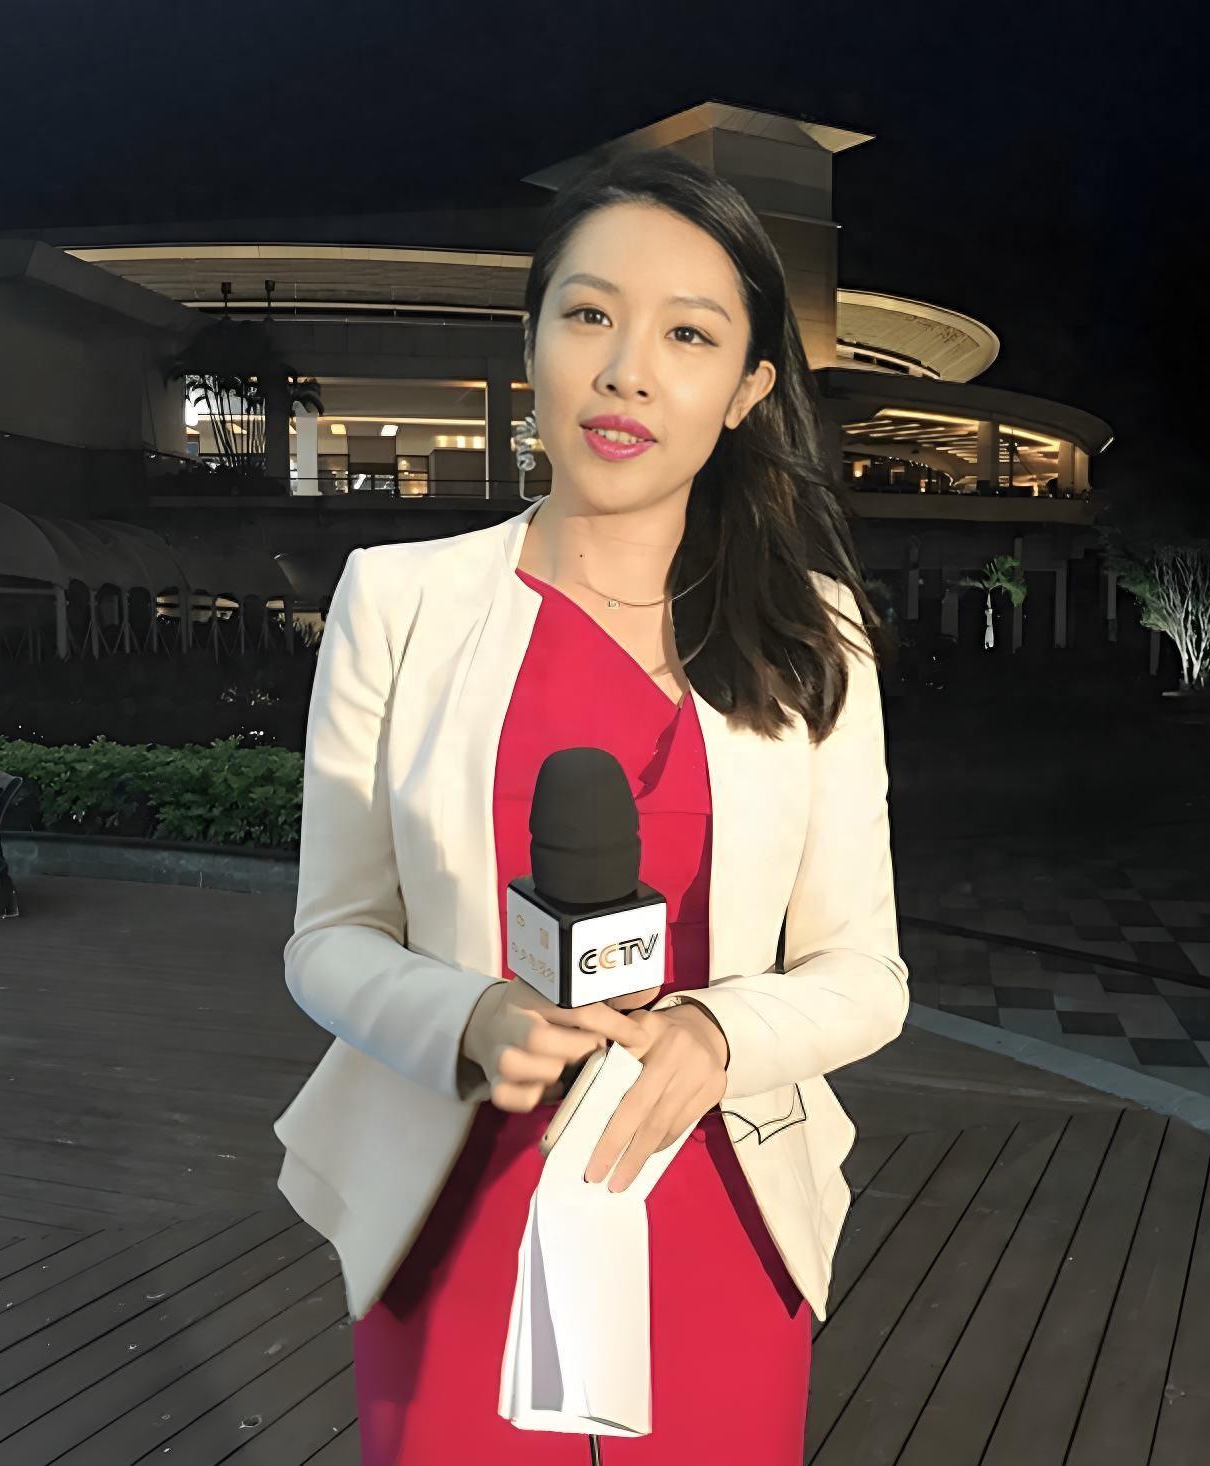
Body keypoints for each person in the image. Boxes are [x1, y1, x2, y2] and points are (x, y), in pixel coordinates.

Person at [274, 147, 910, 1463]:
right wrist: (467, 1017)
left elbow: (866, 975)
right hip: (461, 1206)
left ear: (747, 389)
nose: (627, 370)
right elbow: (329, 938)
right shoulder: (399, 602)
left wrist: (719, 1032)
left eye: (688, 334)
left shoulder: (816, 635)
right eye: (589, 315)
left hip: (720, 1199)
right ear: (533, 342)